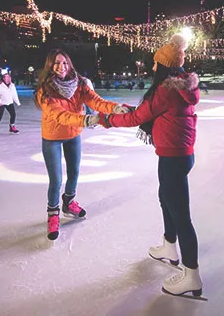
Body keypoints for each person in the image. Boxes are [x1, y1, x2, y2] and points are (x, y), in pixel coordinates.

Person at [98, 34, 203, 298]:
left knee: (181, 215)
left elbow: (138, 117)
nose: (152, 67)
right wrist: (126, 110)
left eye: (156, 64)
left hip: (173, 156)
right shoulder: (179, 88)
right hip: (178, 154)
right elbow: (149, 112)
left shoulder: (165, 90)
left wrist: (108, 120)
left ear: (165, 67)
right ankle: (169, 245)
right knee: (165, 198)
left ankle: (192, 274)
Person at [34, 49, 129, 241]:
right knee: (56, 179)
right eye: (57, 63)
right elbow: (59, 115)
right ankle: (53, 214)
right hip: (52, 136)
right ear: (50, 66)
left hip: (73, 134)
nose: (61, 67)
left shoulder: (80, 84)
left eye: (65, 63)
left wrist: (115, 108)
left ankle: (69, 203)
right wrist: (88, 120)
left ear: (70, 64)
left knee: (74, 172)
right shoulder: (45, 89)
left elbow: (96, 101)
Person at [0, 73, 21, 137]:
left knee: (13, 114)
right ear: (3, 78)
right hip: (1, 103)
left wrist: (17, 102)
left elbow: (14, 94)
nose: (8, 79)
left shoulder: (12, 85)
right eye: (6, 77)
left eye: (9, 77)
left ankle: (12, 126)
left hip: (9, 102)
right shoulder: (0, 85)